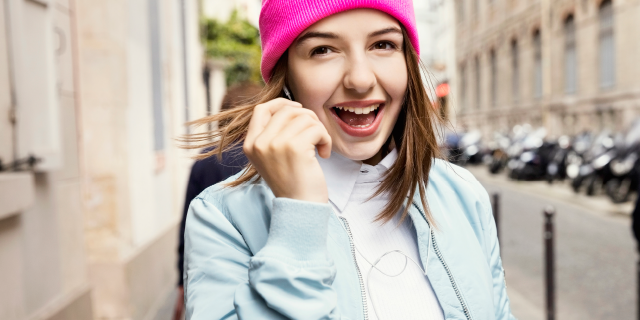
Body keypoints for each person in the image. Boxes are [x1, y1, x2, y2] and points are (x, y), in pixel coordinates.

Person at [183, 0, 514, 319]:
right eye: (323, 50)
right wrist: (298, 217)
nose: (360, 79)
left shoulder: (462, 193)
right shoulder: (223, 220)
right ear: (287, 76)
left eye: (383, 45)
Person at [172, 83, 261, 320]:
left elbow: (187, 230)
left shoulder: (204, 161)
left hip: (215, 277)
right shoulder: (273, 159)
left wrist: (182, 284)